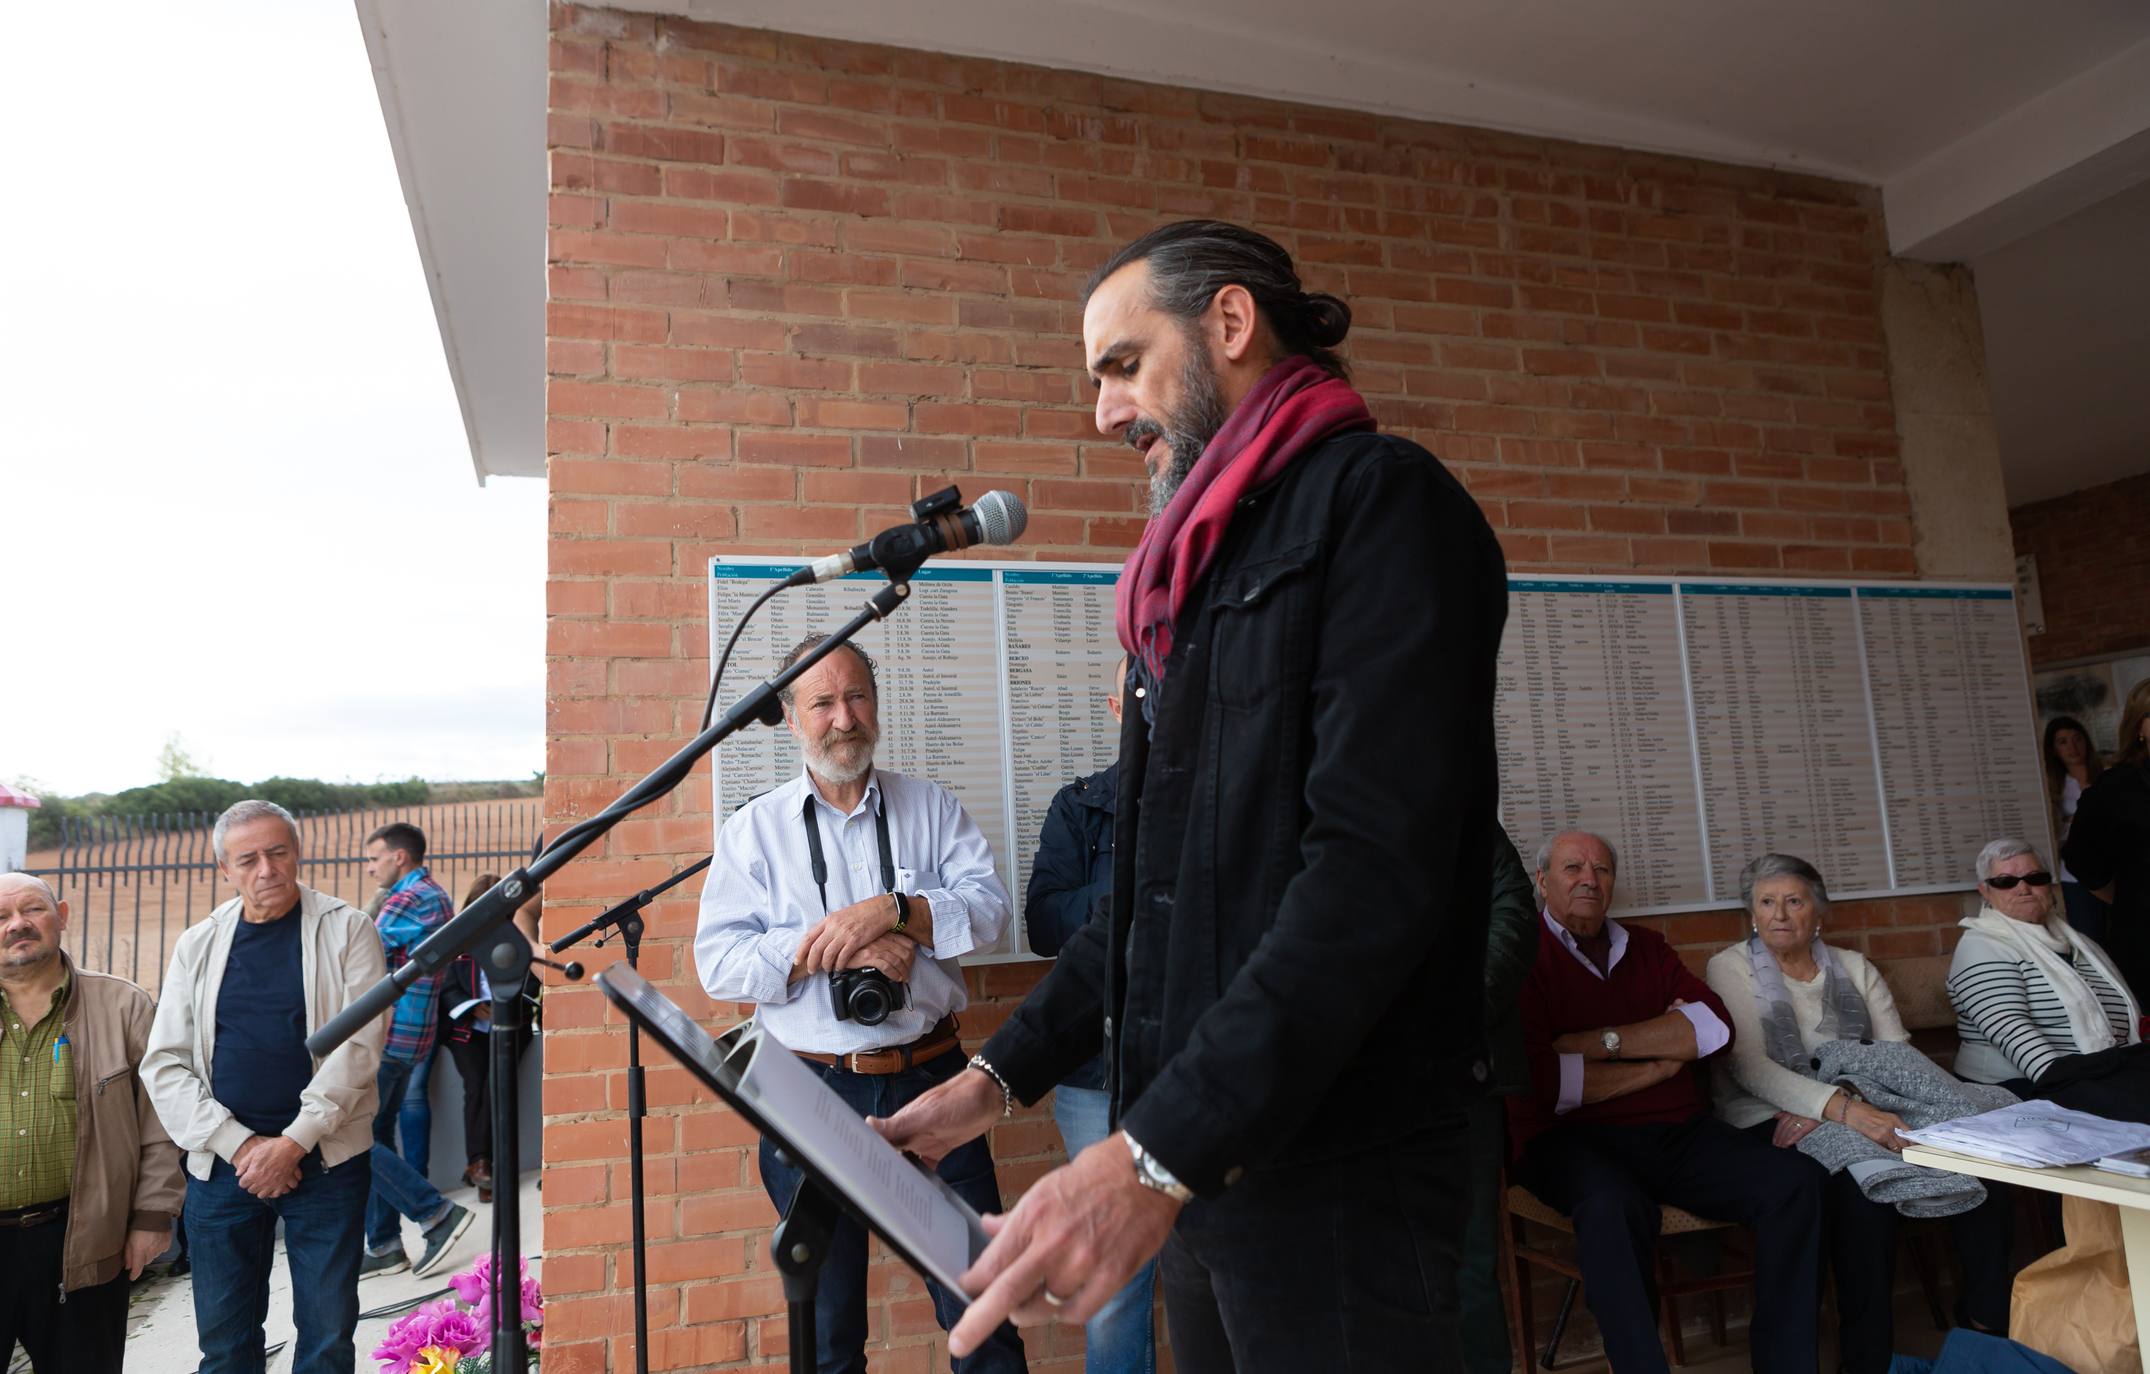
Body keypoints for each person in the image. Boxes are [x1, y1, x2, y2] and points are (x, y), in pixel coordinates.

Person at [875, 219, 1508, 1371]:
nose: (1104, 413)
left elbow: (1371, 879)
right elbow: (1149, 904)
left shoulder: (1382, 507)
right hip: (1203, 1173)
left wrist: (1151, 1156)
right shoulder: (1187, 580)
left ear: (1228, 323)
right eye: (1096, 382)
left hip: (1338, 1183)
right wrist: (993, 1078)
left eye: (1121, 366)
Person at [693, 636, 1027, 1374]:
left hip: (934, 1077)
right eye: (822, 702)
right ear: (789, 717)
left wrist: (897, 913)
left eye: (857, 697)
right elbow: (717, 963)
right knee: (829, 1331)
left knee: (985, 1311)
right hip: (809, 1091)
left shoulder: (932, 807)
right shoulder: (752, 831)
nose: (843, 718)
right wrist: (830, 942)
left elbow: (991, 912)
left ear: (875, 705)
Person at [1510, 831, 1821, 1374]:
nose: (1589, 879)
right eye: (1572, 868)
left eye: (1602, 869)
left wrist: (1595, 1045)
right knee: (1613, 1207)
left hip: (1677, 1132)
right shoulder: (1522, 956)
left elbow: (1714, 1028)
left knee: (1795, 1184)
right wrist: (1660, 1061)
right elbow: (1544, 1082)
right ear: (1542, 881)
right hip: (1567, 1142)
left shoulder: (1648, 948)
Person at [1704, 854, 2011, 1371]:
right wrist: (1838, 1110)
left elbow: (1897, 1056)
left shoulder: (1853, 967)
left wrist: (1847, 1104)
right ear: (1751, 915)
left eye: (1794, 901)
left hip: (1869, 1107)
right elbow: (1748, 1067)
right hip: (1765, 1114)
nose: (1780, 914)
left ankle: (1986, 1320)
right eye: (1766, 902)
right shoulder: (1729, 966)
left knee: (1974, 1155)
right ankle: (1866, 1359)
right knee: (1862, 1191)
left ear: (1818, 912)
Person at [142, 800, 385, 1374]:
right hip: (224, 1171)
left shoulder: (347, 929)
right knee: (225, 1347)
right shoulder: (197, 945)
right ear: (225, 870)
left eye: (277, 853)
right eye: (247, 859)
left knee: (327, 1340)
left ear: (297, 853)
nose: (266, 869)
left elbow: (360, 1048)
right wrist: (244, 1147)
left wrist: (293, 1143)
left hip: (327, 1162)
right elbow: (165, 1063)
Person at [1024, 656, 1155, 1374]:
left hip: (1199, 1071)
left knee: (1222, 1265)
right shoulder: (1079, 808)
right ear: (1114, 707)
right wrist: (1135, 900)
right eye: (1140, 696)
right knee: (1116, 1281)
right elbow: (1044, 922)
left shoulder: (1233, 805)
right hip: (1096, 1078)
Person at [0, 873, 185, 1373]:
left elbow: (161, 1121)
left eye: (32, 910)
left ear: (61, 914)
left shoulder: (122, 1006)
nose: (17, 925)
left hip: (82, 1239)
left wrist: (152, 1216)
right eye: (1, 917)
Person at [358, 822, 474, 1279]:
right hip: (408, 1033)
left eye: (374, 859)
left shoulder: (412, 897)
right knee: (377, 1130)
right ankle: (384, 1243)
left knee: (351, 1136)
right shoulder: (431, 893)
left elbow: (359, 949)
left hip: (391, 1034)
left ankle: (435, 1214)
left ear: (399, 857)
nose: (370, 869)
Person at [1947, 837, 2141, 1100]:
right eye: (2006, 882)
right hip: (2021, 1085)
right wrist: (2078, 1087)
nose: (2023, 888)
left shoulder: (2081, 944)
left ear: (2049, 885)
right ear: (1985, 891)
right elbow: (2010, 1030)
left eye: (2035, 878)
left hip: (2102, 1073)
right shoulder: (1981, 945)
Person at [1458, 829, 1540, 1374]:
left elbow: (1513, 916)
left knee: (1468, 1260)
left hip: (1458, 1073)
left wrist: (1451, 1016)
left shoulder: (1458, 803)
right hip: (1349, 1075)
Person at [436, 873, 542, 1203]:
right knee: (477, 1085)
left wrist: (505, 1006)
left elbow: (533, 983)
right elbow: (448, 988)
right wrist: (475, 1008)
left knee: (497, 1087)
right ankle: (482, 1167)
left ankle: (486, 1167)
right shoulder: (460, 939)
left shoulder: (520, 937)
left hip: (513, 1024)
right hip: (468, 1031)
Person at [2064, 678, 2150, 1000]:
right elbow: (2081, 859)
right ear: (2138, 727)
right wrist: (2129, 898)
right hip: (2143, 935)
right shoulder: (2115, 787)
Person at [2043, 715, 2108, 942]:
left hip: (2113, 866)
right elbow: (2053, 831)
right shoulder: (2054, 786)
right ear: (2053, 750)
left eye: (2077, 739)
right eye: (2063, 742)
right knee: (2089, 938)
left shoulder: (2106, 776)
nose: (2072, 747)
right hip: (2075, 874)